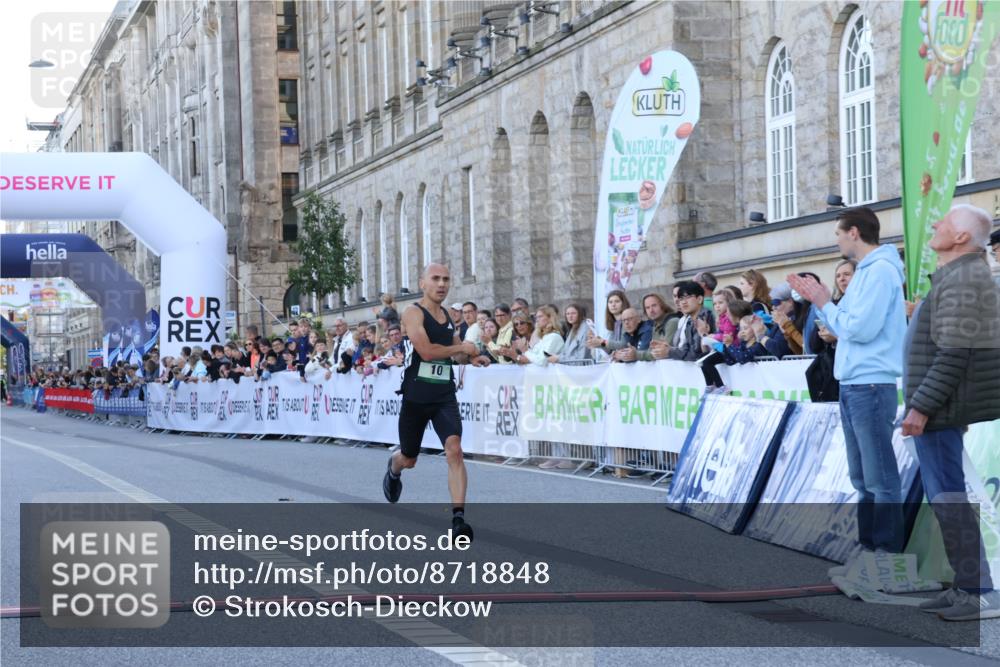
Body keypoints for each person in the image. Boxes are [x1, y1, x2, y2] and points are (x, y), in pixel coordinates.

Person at [788, 206, 908, 567]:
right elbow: (850, 325)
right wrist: (826, 306)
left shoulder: (880, 271)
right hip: (856, 383)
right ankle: (870, 551)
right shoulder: (869, 272)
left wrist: (825, 303)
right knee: (863, 477)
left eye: (839, 233)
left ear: (854, 232)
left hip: (870, 383)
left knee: (879, 477)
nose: (837, 240)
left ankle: (886, 556)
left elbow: (859, 329)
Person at [899, 205, 1000, 620]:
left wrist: (921, 407)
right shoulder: (958, 276)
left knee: (949, 500)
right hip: (940, 407)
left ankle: (978, 592)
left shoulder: (964, 280)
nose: (935, 224)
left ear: (961, 238)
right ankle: (967, 586)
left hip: (939, 409)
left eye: (945, 222)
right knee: (945, 499)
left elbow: (955, 353)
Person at [383, 263, 479, 541]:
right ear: (422, 283)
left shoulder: (448, 316)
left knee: (455, 449)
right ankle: (394, 467)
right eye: (435, 278)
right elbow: (426, 351)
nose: (441, 284)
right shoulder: (413, 312)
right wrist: (461, 347)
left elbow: (456, 354)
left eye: (446, 279)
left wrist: (473, 355)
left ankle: (458, 519)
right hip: (415, 397)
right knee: (409, 458)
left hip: (443, 395)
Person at [586, 289, 629, 355]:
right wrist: (598, 342)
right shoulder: (615, 323)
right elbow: (610, 351)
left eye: (617, 301)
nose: (613, 305)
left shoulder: (627, 320)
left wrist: (602, 341)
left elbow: (623, 345)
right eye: (610, 302)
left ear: (623, 303)